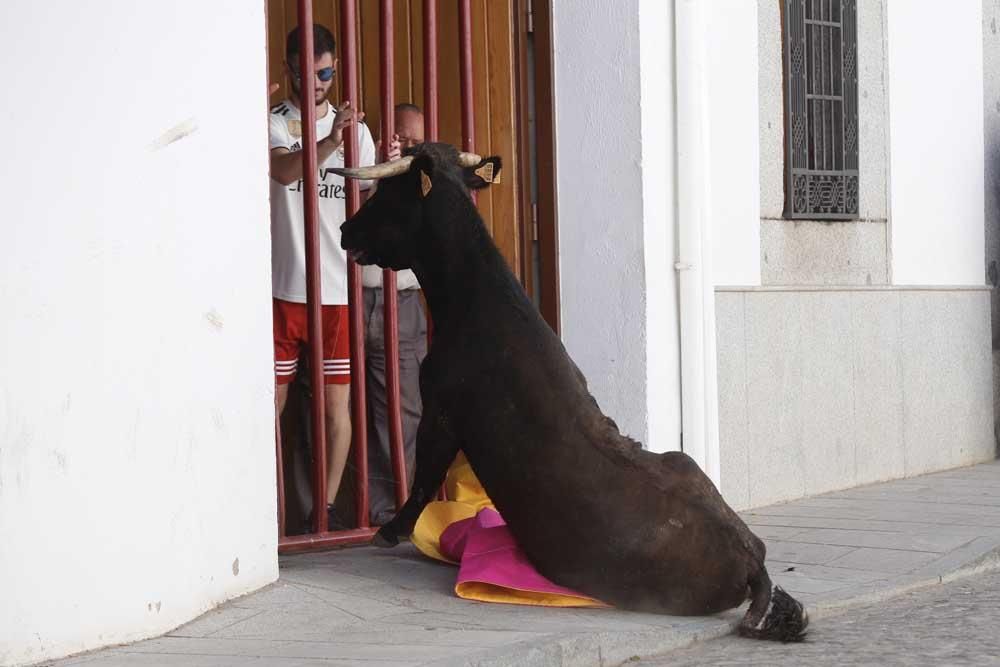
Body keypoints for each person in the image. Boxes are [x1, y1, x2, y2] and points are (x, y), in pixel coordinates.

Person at [268, 24, 399, 530]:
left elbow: (364, 198)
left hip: (337, 290)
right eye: (307, 72)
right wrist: (330, 139)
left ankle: (322, 511)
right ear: (290, 70)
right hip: (284, 286)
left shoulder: (356, 131)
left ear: (334, 68)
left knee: (335, 408)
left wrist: (386, 170)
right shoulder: (276, 121)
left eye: (325, 72)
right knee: (270, 403)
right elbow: (283, 172)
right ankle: (260, 502)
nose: (317, 82)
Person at [363, 104, 429, 526]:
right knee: (335, 409)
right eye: (398, 137)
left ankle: (395, 510)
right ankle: (335, 513)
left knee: (404, 411)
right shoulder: (361, 168)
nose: (404, 146)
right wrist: (377, 169)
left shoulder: (428, 182)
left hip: (402, 304)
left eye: (414, 141)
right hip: (343, 300)